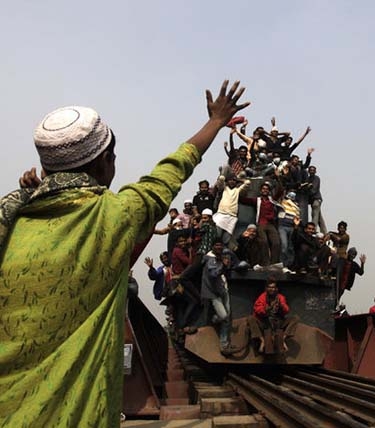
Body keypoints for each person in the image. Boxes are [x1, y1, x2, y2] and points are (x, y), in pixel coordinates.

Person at [0, 80, 248, 427]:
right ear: (105, 162)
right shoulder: (117, 216)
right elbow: (172, 171)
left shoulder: (9, 223)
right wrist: (215, 122)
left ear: (44, 169)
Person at [201, 240, 237, 355]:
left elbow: (232, 261)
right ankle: (214, 319)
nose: (219, 248)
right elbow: (213, 274)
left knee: (227, 319)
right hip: (213, 293)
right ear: (212, 247)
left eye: (220, 246)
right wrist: (223, 266)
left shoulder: (224, 255)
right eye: (216, 246)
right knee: (224, 316)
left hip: (223, 289)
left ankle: (224, 345)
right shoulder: (210, 259)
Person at [248, 277, 298, 353]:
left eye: (273, 287)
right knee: (251, 318)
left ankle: (283, 339)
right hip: (265, 322)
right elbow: (257, 308)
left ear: (276, 289)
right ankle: (262, 340)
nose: (272, 289)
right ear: (266, 288)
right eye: (270, 287)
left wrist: (281, 306)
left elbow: (287, 310)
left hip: (278, 322)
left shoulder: (280, 297)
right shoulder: (262, 297)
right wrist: (265, 310)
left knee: (295, 318)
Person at [306, 165, 327, 235]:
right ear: (308, 171)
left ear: (315, 171)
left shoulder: (316, 178)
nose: (311, 171)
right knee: (319, 217)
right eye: (310, 170)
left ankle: (313, 230)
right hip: (312, 201)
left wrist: (307, 189)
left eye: (313, 170)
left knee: (314, 214)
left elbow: (314, 190)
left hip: (316, 199)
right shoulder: (307, 179)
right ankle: (325, 232)